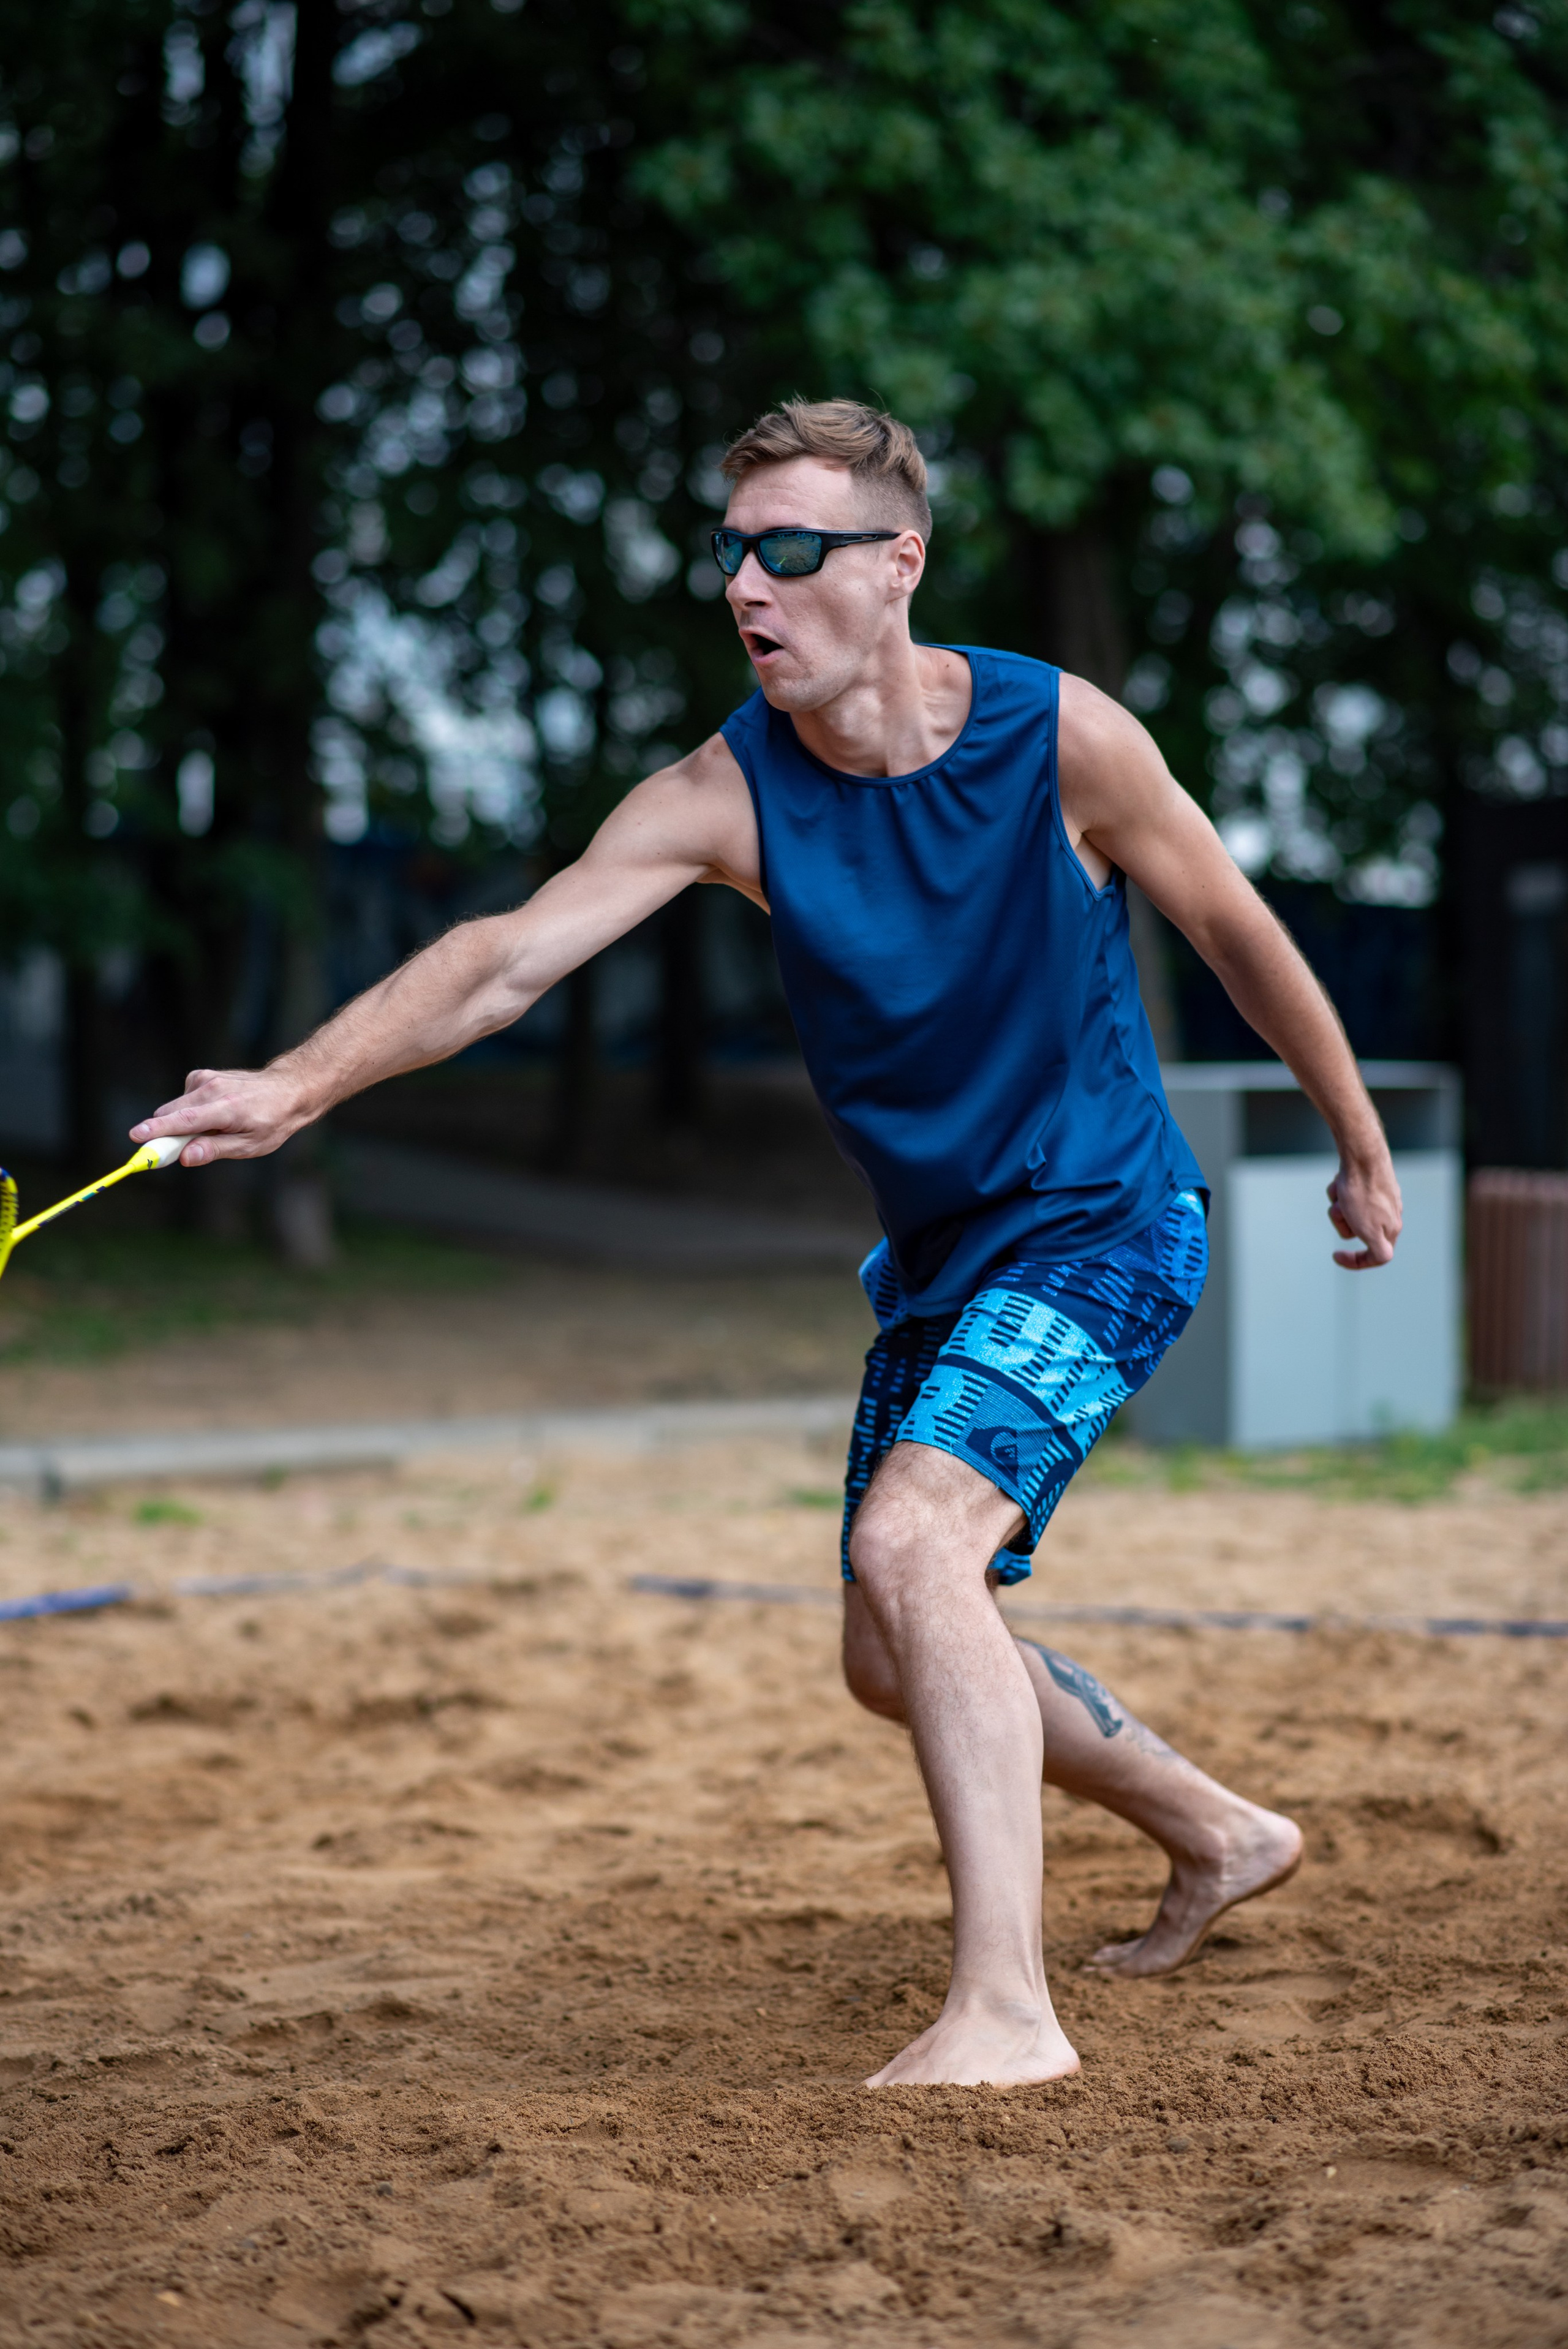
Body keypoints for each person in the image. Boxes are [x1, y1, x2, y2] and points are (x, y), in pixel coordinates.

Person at [133, 399, 1403, 2091]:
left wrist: (1358, 1137)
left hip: (1108, 1217)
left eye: (789, 548)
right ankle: (1217, 1824)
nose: (750, 581)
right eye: (731, 550)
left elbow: (1236, 930)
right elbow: (505, 958)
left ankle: (1008, 2009)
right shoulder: (723, 794)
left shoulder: (1059, 737)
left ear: (899, 564)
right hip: (946, 1254)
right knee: (890, 1648)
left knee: (913, 1544)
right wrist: (299, 1082)